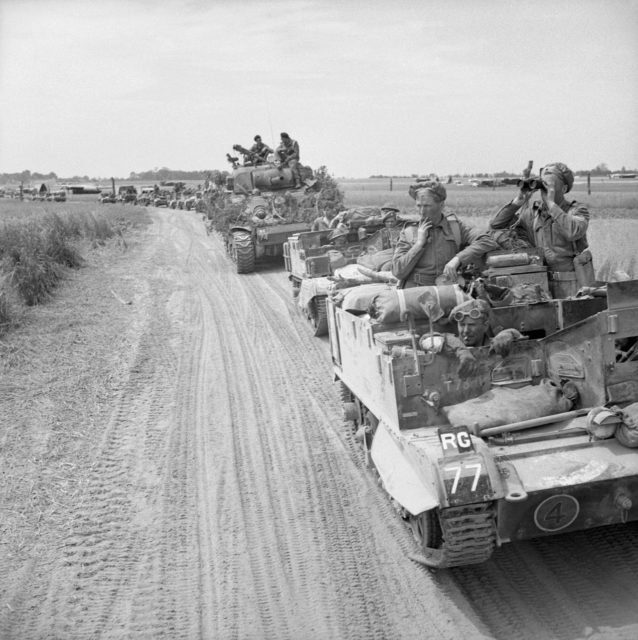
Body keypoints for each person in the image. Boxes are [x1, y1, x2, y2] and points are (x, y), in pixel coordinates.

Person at [489, 162, 591, 298]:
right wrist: (518, 201)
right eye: (543, 186)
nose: (544, 190)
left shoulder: (576, 210)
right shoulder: (533, 213)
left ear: (564, 188)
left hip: (571, 284)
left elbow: (573, 232)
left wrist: (551, 204)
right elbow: (496, 226)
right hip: (542, 283)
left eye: (549, 186)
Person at [392, 180, 497, 287]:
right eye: (419, 206)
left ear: (441, 205)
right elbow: (397, 272)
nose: (422, 211)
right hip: (416, 292)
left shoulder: (455, 227)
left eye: (427, 206)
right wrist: (419, 244)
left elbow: (487, 240)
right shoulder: (409, 232)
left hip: (448, 290)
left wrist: (458, 259)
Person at [421, 298, 523, 377]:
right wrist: (461, 350)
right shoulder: (449, 345)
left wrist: (511, 333)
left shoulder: (498, 344)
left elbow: (527, 348)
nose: (465, 331)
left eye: (472, 325)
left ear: (485, 326)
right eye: (462, 325)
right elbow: (425, 340)